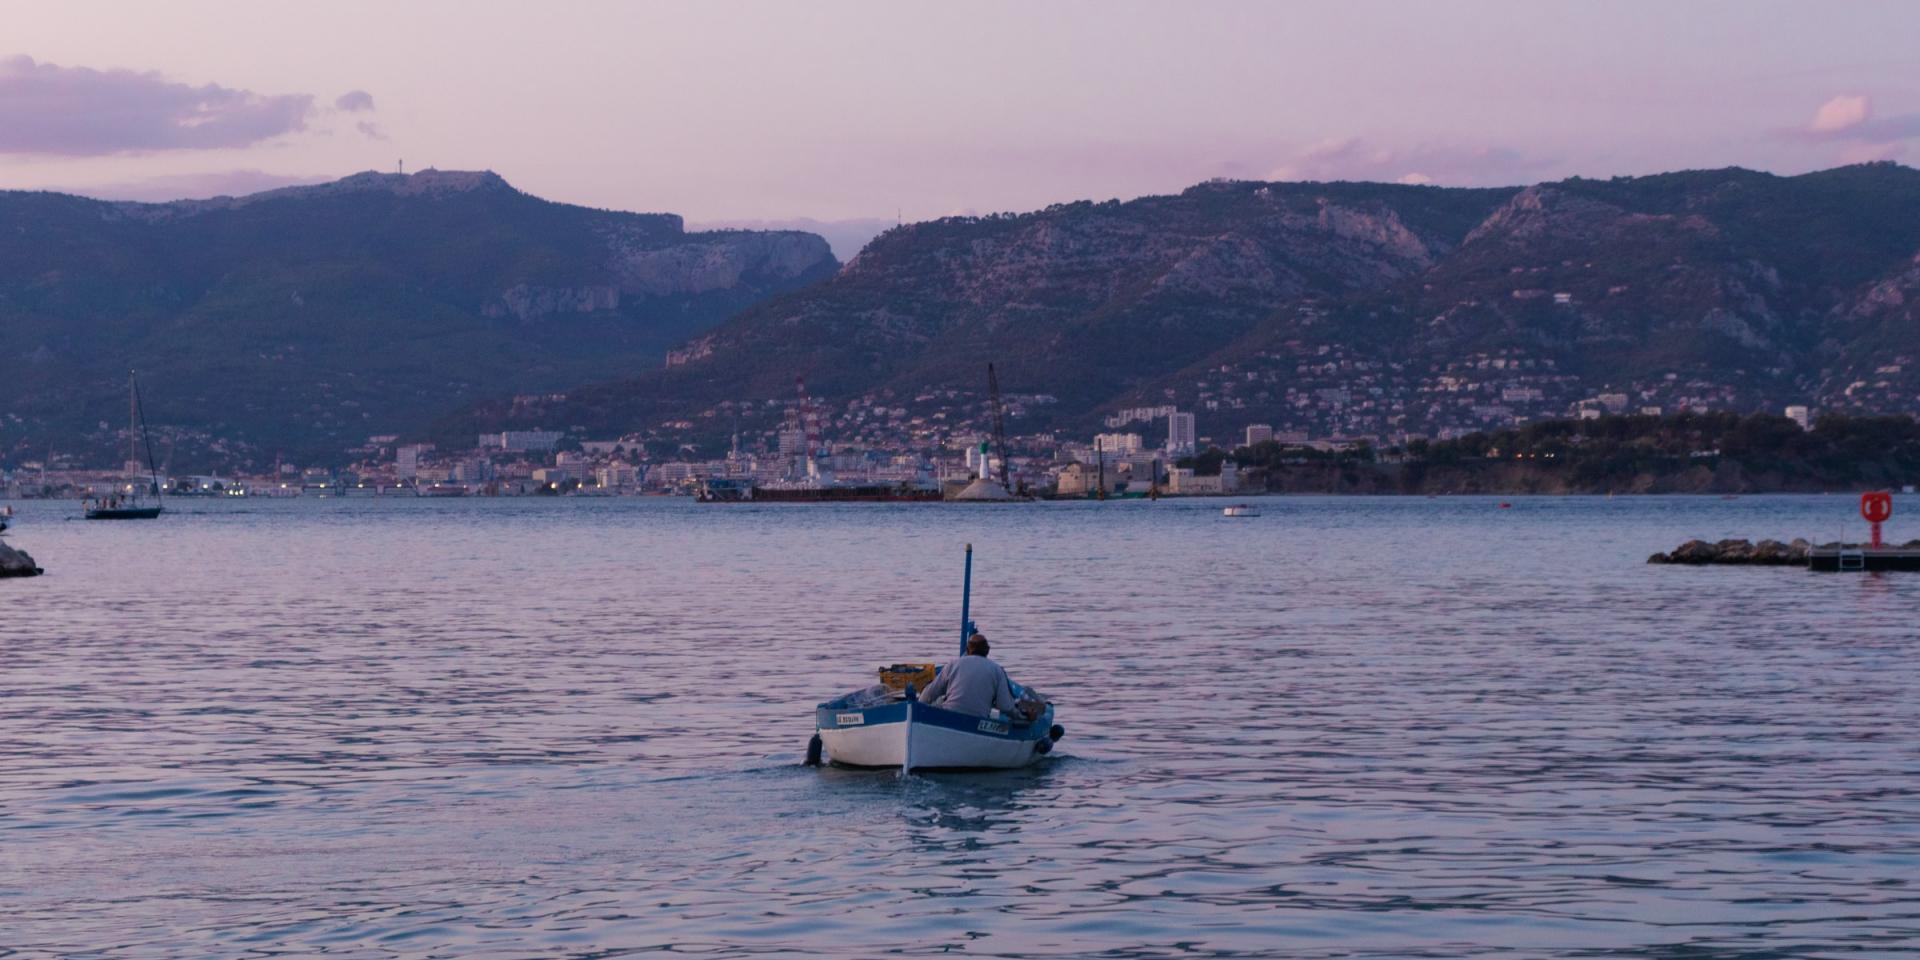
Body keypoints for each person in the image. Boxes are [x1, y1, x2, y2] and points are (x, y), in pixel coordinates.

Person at [918, 633, 1018, 718]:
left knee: (938, 702)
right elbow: (1005, 706)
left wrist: (918, 707)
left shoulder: (953, 664)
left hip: (949, 715)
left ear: (967, 650)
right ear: (987, 650)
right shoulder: (997, 670)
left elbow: (927, 696)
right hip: (978, 720)